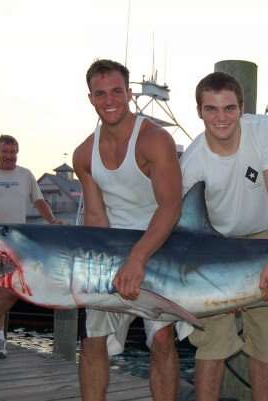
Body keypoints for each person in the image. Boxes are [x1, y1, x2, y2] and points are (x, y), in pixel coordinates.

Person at [72, 59, 184, 401]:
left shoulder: (155, 140)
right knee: (92, 342)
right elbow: (95, 216)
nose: (109, 100)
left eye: (117, 91)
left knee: (162, 340)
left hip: (158, 245)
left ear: (130, 94)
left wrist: (137, 259)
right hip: (112, 251)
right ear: (90, 97)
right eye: (100, 93)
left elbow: (171, 207)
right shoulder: (84, 154)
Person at [180, 71, 268, 401]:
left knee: (266, 337)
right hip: (214, 247)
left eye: (229, 108)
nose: (221, 118)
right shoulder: (192, 164)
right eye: (211, 109)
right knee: (212, 340)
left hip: (263, 238)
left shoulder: (266, 131)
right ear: (199, 111)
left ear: (242, 109)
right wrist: (224, 289)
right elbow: (186, 229)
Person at [0, 134, 61, 359]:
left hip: (15, 240)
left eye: (13, 152)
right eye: (5, 152)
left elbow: (39, 201)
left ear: (17, 153)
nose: (9, 156)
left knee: (12, 288)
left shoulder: (26, 175)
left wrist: (52, 220)